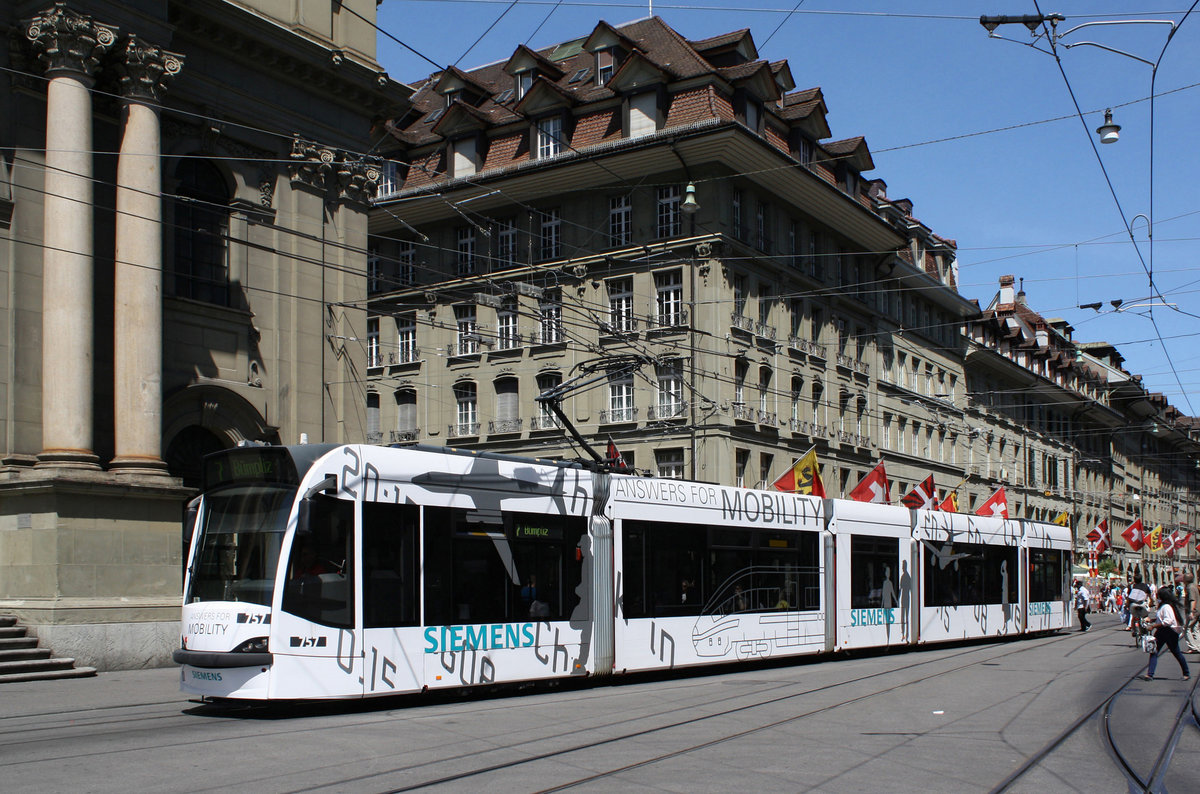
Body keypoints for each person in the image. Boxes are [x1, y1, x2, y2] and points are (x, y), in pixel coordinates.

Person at [1140, 585, 1191, 681]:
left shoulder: (1166, 607)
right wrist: (1152, 620)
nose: (1157, 597)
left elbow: (1168, 621)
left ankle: (1186, 673)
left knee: (1176, 652)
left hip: (1169, 632)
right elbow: (1162, 618)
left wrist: (1153, 626)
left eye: (1158, 595)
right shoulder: (1164, 606)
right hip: (1163, 631)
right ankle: (1150, 674)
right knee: (1154, 651)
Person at [1180, 572, 1200, 654]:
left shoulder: (1190, 588)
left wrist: (1191, 611)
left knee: (1186, 628)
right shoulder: (1194, 586)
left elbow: (1193, 600)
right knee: (1195, 629)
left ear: (1185, 580)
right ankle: (1198, 646)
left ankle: (1193, 647)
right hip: (1197, 611)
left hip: (1193, 611)